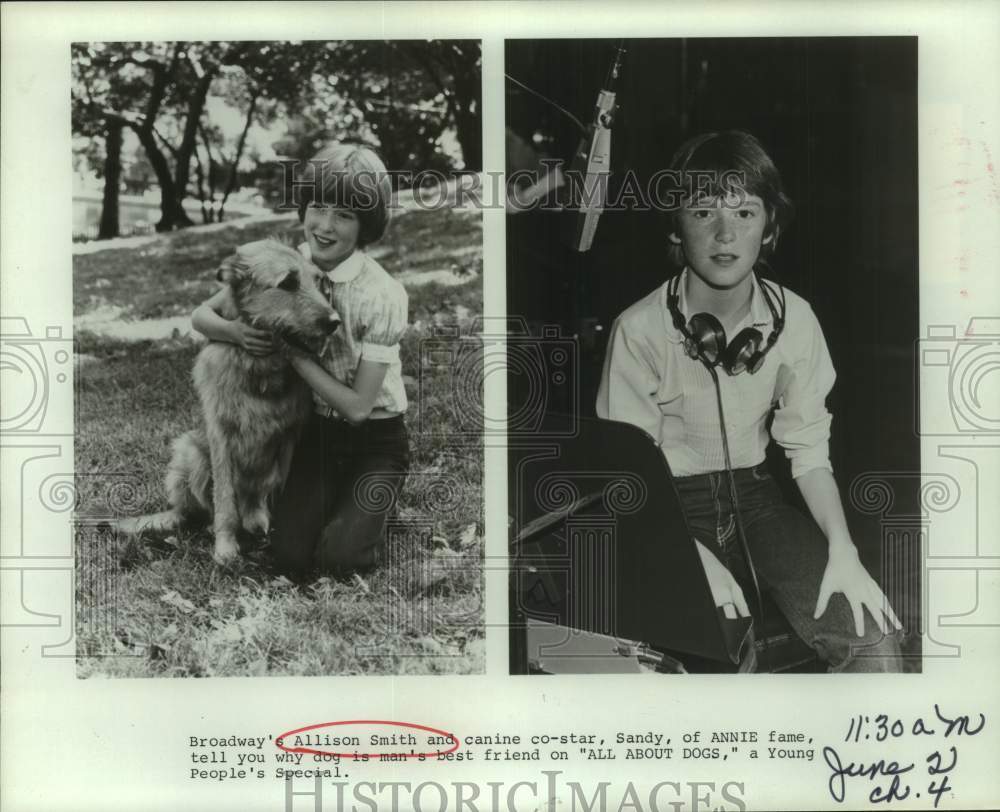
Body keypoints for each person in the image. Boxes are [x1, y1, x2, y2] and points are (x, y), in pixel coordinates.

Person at [596, 130, 902, 672]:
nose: (723, 234)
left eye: (744, 213)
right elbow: (627, 479)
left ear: (770, 227)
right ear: (674, 224)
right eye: (703, 212)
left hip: (757, 502)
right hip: (668, 507)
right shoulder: (637, 330)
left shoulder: (797, 319)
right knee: (720, 650)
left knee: (871, 640)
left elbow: (809, 452)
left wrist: (843, 550)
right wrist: (690, 556)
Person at [192, 143, 410, 579]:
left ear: (366, 226)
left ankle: (373, 501)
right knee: (288, 555)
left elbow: (358, 409)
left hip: (374, 437)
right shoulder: (295, 262)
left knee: (340, 559)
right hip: (320, 434)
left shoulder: (382, 294)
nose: (326, 227)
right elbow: (203, 315)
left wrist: (289, 351)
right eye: (318, 207)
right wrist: (237, 332)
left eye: (345, 216)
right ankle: (340, 503)